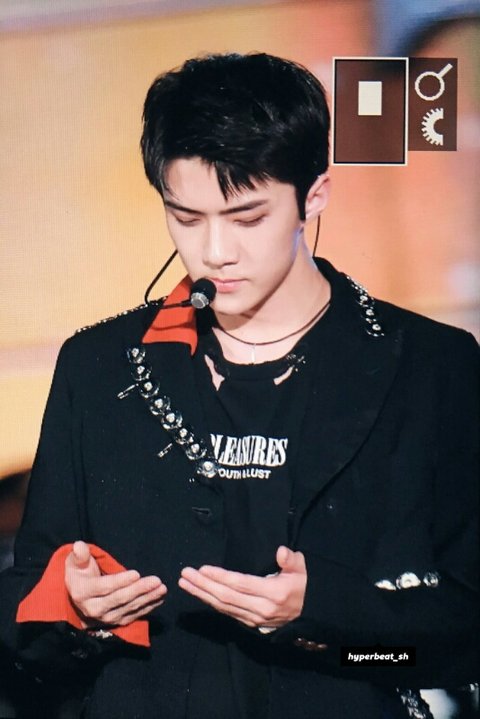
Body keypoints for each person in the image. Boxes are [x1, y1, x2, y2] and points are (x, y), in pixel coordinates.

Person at [0, 52, 478, 719]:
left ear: (315, 195)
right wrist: (76, 611)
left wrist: (328, 614)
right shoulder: (98, 367)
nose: (215, 251)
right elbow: (25, 643)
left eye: (248, 218)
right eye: (186, 218)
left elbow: (461, 642)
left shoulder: (431, 366)